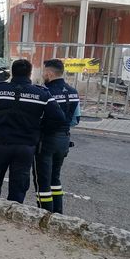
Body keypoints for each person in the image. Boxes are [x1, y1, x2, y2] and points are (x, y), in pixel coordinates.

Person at [0, 59, 65, 204]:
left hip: (1, 145)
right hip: (26, 147)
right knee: (18, 186)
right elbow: (59, 118)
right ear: (30, 73)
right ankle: (13, 215)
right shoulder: (42, 94)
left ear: (12, 72)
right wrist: (40, 131)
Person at [33, 59, 80, 213]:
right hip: (64, 140)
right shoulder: (73, 92)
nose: (42, 74)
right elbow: (75, 120)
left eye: (43, 72)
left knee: (43, 181)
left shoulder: (45, 92)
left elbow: (37, 118)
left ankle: (45, 214)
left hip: (46, 141)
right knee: (55, 178)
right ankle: (58, 213)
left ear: (49, 73)